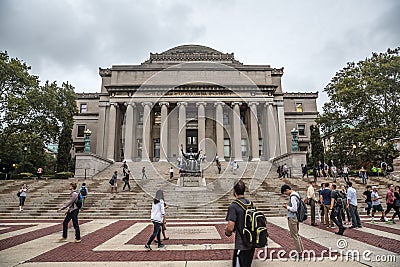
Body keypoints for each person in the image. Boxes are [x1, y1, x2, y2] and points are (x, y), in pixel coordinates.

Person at [225, 180, 255, 266]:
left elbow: (230, 227)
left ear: (234, 191)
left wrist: (227, 232)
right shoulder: (250, 204)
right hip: (251, 242)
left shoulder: (233, 206)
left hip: (241, 244)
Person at [281, 184, 304, 259]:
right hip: (296, 217)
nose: (286, 194)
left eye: (285, 192)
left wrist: (287, 207)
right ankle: (301, 251)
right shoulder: (296, 194)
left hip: (292, 217)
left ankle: (299, 253)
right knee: (297, 235)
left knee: (295, 236)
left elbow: (294, 209)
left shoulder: (293, 197)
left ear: (287, 190)